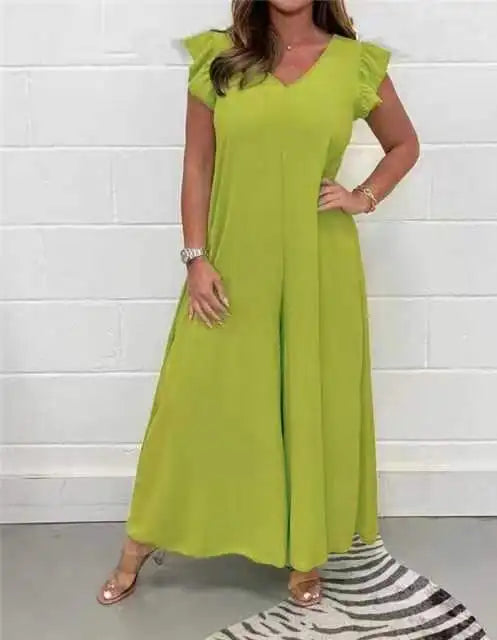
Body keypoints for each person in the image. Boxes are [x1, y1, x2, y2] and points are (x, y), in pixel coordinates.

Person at [97, 0, 419, 608]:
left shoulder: (354, 63)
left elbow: (404, 144)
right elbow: (198, 163)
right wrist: (196, 258)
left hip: (319, 264)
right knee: (193, 399)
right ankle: (140, 541)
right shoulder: (219, 58)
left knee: (307, 401)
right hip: (232, 262)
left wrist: (363, 196)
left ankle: (304, 552)